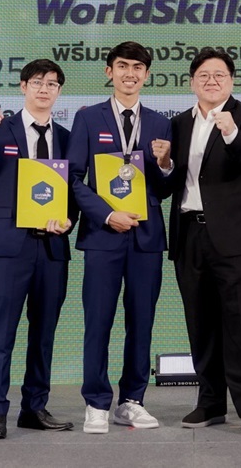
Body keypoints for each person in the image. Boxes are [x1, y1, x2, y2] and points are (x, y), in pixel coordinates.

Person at [0, 59, 77, 439]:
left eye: (52, 84)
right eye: (37, 82)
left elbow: (75, 189)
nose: (44, 89)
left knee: (44, 334)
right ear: (23, 86)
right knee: (0, 332)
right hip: (8, 246)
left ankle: (34, 407)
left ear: (59, 91)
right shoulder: (0, 129)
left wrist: (69, 219)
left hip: (52, 247)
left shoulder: (68, 137)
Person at [157, 47, 241, 434]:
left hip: (236, 236)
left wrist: (230, 132)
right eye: (204, 75)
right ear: (192, 82)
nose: (211, 81)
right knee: (201, 322)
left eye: (219, 75)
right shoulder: (178, 123)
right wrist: (164, 165)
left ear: (232, 80)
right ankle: (210, 403)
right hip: (190, 233)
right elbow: (170, 186)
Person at [66, 41, 173, 434]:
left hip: (146, 237)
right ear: (109, 71)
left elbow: (165, 188)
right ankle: (96, 402)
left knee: (141, 322)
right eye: (123, 66)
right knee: (98, 321)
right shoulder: (88, 118)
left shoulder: (161, 123)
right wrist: (107, 214)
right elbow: (73, 178)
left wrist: (165, 163)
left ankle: (132, 401)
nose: (131, 73)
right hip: (102, 235)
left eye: (138, 67)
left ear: (147, 75)